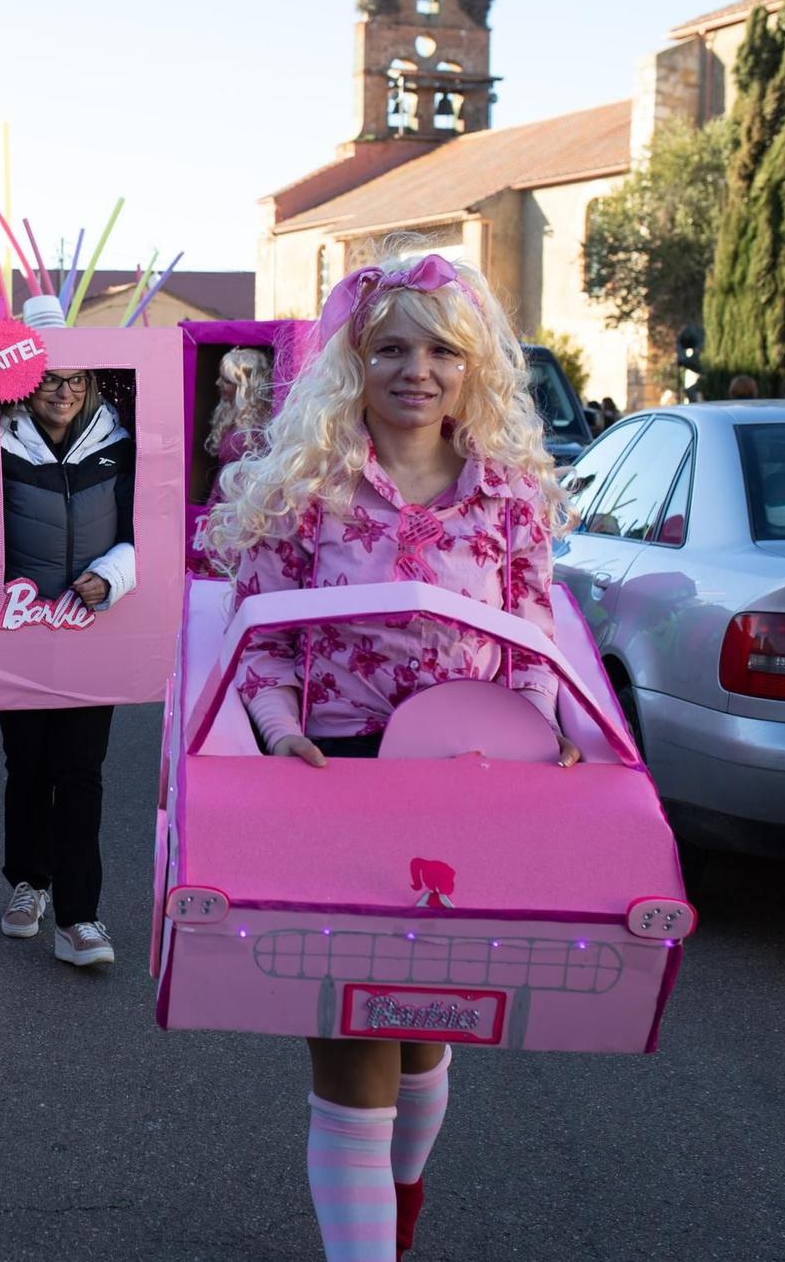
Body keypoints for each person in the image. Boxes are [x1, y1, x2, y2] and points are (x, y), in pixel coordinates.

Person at [202, 243, 577, 1261]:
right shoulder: (305, 486)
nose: (416, 370)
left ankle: (399, 1209)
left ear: (471, 369)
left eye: (441, 352)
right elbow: (261, 636)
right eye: (390, 349)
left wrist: (538, 738)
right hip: (333, 779)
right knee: (354, 1040)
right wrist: (280, 732)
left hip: (470, 783)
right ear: (352, 363)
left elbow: (533, 637)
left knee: (424, 1035)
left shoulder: (506, 498)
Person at [0, 366, 138, 968]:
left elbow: (145, 530)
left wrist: (113, 575)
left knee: (81, 771)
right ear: (27, 385)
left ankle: (80, 916)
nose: (63, 393)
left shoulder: (118, 444)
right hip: (17, 627)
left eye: (76, 382)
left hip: (92, 629)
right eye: (51, 381)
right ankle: (29, 882)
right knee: (28, 764)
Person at [206, 345, 275, 465]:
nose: (218, 383)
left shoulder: (256, 429)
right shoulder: (233, 415)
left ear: (246, 388)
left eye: (226, 381)